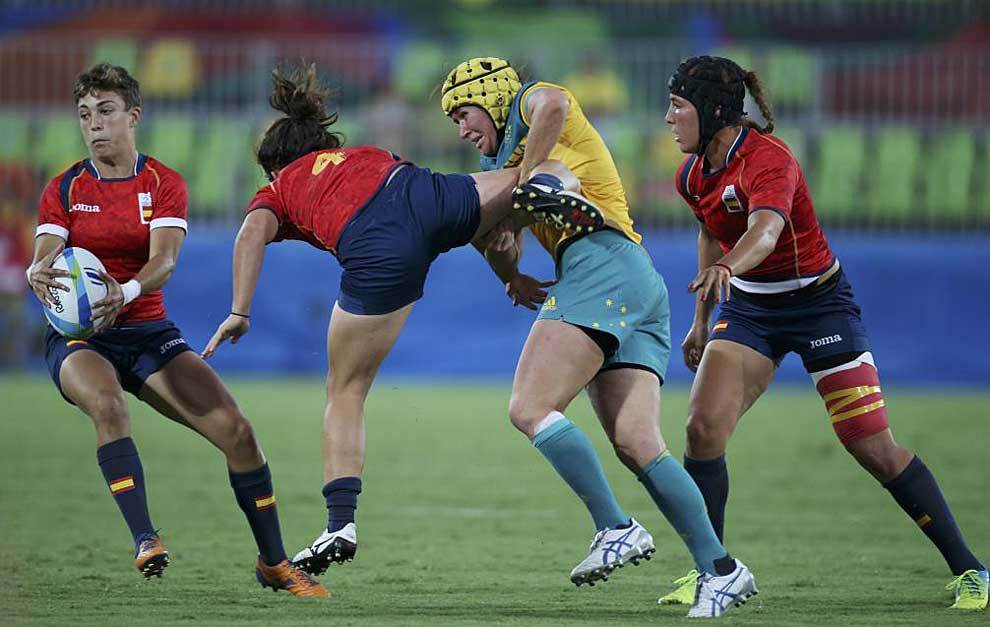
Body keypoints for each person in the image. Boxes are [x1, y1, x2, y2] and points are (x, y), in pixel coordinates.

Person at [200, 64, 598, 581]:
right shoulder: (363, 153)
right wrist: (513, 275)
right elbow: (484, 231)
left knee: (345, 389)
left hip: (375, 245)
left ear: (277, 166)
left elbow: (251, 234)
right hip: (419, 191)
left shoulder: (281, 189)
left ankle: (339, 523)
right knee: (526, 178)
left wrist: (239, 310)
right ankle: (558, 187)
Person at [661, 54, 987, 611]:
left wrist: (728, 269)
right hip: (751, 311)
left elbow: (764, 232)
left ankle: (972, 571)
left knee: (872, 449)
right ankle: (711, 567)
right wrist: (699, 320)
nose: (667, 118)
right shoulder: (692, 173)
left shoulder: (771, 159)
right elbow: (713, 234)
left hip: (819, 307)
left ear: (713, 111)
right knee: (701, 429)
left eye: (677, 106)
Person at [440, 57, 756, 618]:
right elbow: (483, 231)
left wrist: (519, 185)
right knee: (638, 443)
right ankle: (722, 569)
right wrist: (510, 275)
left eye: (462, 113)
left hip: (599, 263)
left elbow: (554, 112)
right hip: (635, 279)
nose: (461, 129)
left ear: (489, 94)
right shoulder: (497, 161)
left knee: (529, 407)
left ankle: (615, 525)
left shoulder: (532, 100)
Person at [25, 63, 326, 597]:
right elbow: (49, 255)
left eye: (106, 111)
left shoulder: (163, 183)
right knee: (107, 404)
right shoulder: (65, 186)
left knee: (239, 434)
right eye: (84, 115)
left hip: (145, 329)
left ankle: (275, 564)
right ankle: (145, 538)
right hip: (80, 338)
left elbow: (163, 262)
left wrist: (127, 293)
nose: (94, 124)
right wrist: (37, 268)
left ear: (133, 116)